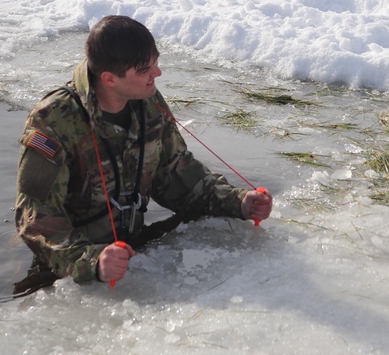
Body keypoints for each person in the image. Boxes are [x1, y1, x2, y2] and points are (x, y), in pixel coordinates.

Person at [14, 15, 272, 288]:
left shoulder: (147, 102)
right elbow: (35, 217)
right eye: (144, 69)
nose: (157, 74)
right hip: (69, 266)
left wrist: (238, 201)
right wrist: (91, 261)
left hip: (132, 250)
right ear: (109, 79)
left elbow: (175, 173)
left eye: (156, 63)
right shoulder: (54, 119)